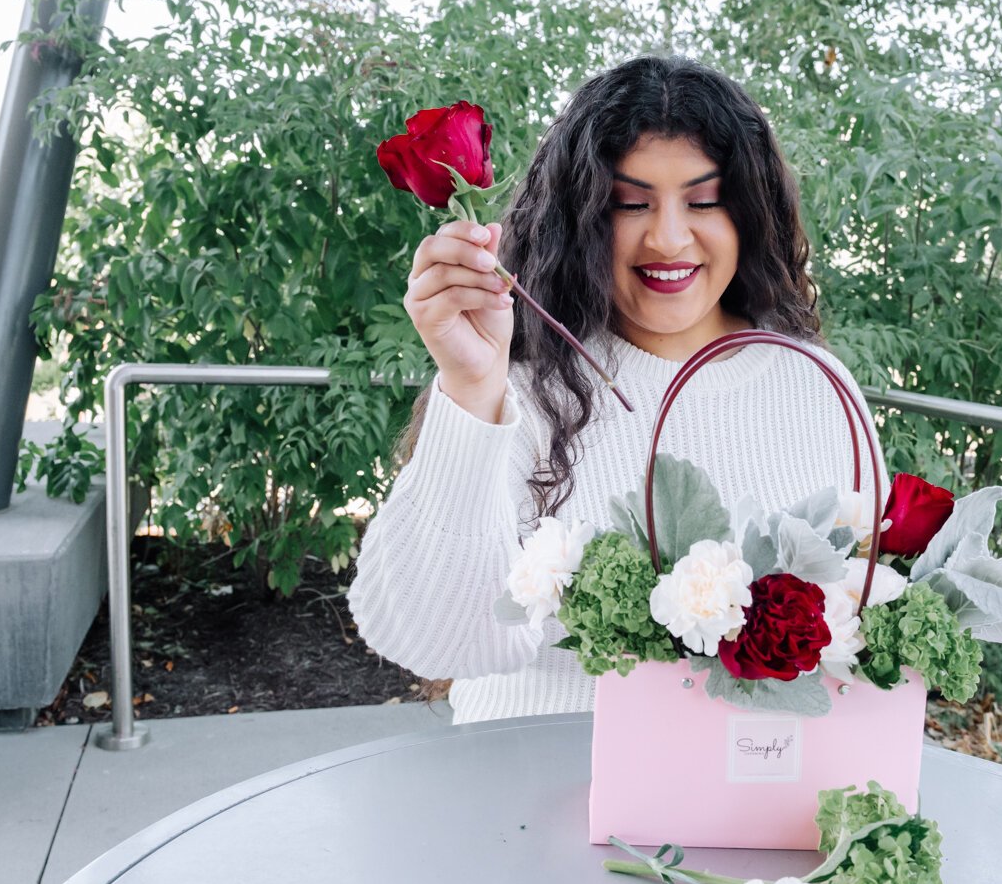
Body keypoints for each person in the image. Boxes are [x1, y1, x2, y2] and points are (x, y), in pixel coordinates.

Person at [348, 55, 886, 724]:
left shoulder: (817, 386)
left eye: (704, 200)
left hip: (748, 802)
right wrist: (470, 387)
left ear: (748, 214)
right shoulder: (521, 385)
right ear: (581, 218)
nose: (667, 237)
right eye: (630, 203)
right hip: (524, 786)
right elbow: (430, 641)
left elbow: (860, 631)